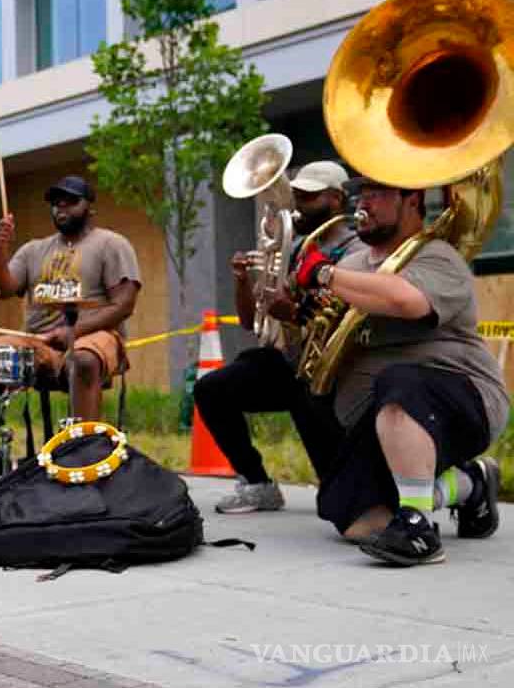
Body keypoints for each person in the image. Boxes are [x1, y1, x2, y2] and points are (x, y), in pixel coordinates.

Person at [294, 177, 508, 566]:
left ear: (412, 200)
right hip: (380, 418)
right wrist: (303, 314)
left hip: (463, 400)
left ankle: (418, 529)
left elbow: (406, 300)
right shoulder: (354, 263)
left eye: (377, 194)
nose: (364, 203)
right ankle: (470, 485)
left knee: (397, 381)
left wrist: (326, 276)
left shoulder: (438, 256)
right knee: (347, 512)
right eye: (362, 195)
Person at [194, 161, 364, 514]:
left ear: (336, 199)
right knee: (211, 389)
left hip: (333, 368)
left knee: (338, 496)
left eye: (309, 197)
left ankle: (348, 489)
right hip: (290, 360)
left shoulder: (356, 250)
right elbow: (247, 320)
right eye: (297, 195)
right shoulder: (296, 247)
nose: (299, 204)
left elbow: (350, 314)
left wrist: (293, 310)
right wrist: (243, 282)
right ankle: (256, 483)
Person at [0, 175, 141, 473]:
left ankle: (84, 457)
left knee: (81, 360)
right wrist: (0, 246)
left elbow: (124, 304)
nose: (62, 208)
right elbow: (2, 287)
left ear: (89, 207)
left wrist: (72, 332)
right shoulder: (34, 250)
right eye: (56, 203)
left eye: (71, 202)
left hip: (94, 335)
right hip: (37, 339)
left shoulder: (111, 244)